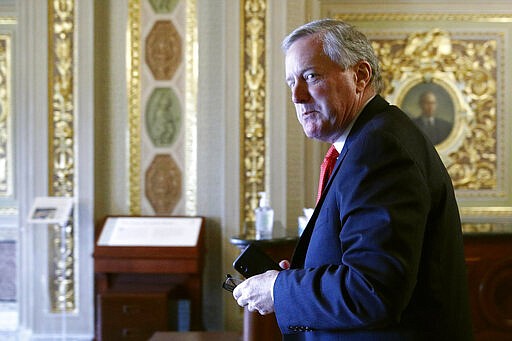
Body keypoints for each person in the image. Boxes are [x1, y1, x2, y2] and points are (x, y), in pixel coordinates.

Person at [232, 18, 473, 340]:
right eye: (291, 82)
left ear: (360, 76)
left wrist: (278, 289)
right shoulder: (368, 140)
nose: (297, 96)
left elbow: (371, 290)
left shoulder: (380, 148)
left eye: (311, 76)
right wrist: (302, 277)